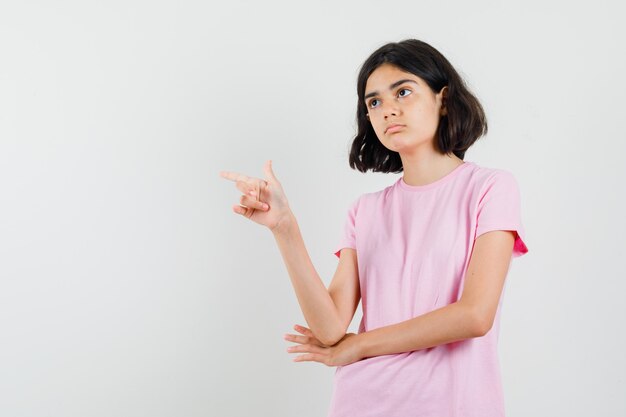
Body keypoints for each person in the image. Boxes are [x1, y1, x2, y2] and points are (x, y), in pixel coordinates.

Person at [219, 38, 529, 417]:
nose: (388, 110)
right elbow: (331, 329)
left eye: (403, 92)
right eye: (374, 102)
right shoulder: (364, 211)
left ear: (443, 99)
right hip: (363, 402)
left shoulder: (490, 188)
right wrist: (284, 227)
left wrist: (361, 345)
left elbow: (475, 315)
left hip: (454, 405)